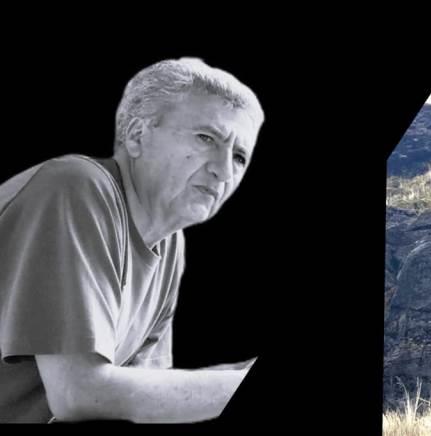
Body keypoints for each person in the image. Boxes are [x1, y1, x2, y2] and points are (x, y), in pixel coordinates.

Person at [0, 58, 263, 423]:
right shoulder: (75, 188)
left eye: (239, 157)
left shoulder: (169, 243)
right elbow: (79, 393)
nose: (223, 170)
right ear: (138, 135)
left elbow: (144, 396)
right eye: (207, 138)